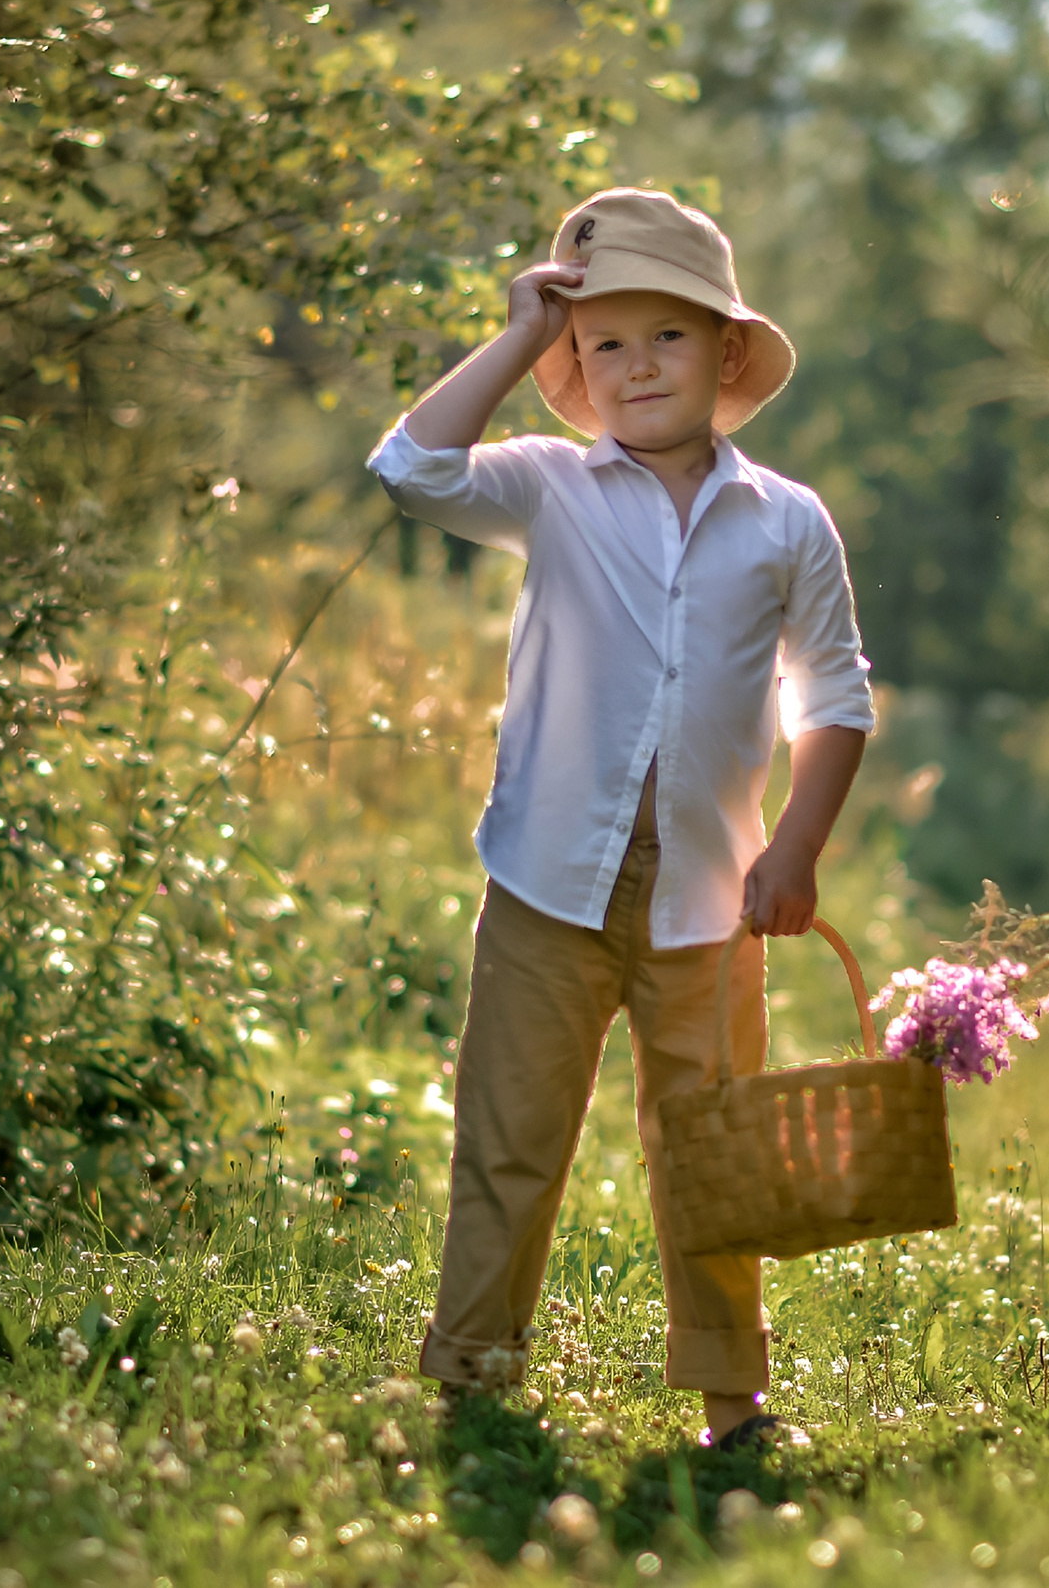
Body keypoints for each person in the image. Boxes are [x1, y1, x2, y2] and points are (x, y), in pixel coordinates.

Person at [366, 187, 874, 1449]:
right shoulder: (549, 486)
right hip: (547, 883)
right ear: (575, 366)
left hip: (712, 893)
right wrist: (516, 334)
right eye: (604, 343)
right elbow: (410, 468)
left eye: (668, 335)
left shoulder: (787, 521)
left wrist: (796, 847)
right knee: (511, 1136)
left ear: (726, 351)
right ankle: (473, 1373)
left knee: (710, 1145)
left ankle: (732, 1401)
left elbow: (834, 691)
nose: (636, 364)